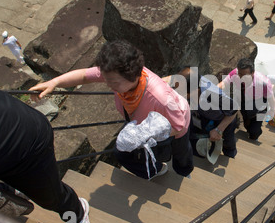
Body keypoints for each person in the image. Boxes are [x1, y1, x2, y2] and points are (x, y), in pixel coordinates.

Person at [29, 40, 194, 180]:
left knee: (181, 152)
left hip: (174, 123)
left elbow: (179, 125)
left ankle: (183, 171)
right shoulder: (117, 74)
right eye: (106, 79)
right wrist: (54, 83)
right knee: (122, 153)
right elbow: (85, 76)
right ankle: (156, 169)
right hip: (141, 123)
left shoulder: (159, 98)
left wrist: (146, 134)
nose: (108, 85)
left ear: (134, 76)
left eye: (113, 83)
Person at [0, 89, 92, 223]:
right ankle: (17, 189)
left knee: (52, 198)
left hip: (27, 143)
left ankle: (78, 214)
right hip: (7, 142)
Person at [170, 67, 239, 159]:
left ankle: (230, 154)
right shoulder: (184, 81)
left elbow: (234, 109)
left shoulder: (211, 94)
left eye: (183, 93)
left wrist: (219, 130)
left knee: (227, 140)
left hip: (224, 117)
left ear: (195, 90)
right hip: (203, 114)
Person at [218, 58, 275, 141]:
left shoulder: (263, 82)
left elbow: (270, 97)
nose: (241, 77)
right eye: (240, 74)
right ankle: (249, 127)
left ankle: (255, 134)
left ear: (252, 73)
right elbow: (224, 83)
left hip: (259, 103)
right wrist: (213, 90)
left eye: (245, 75)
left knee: (254, 131)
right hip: (244, 100)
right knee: (246, 124)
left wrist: (272, 111)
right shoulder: (235, 73)